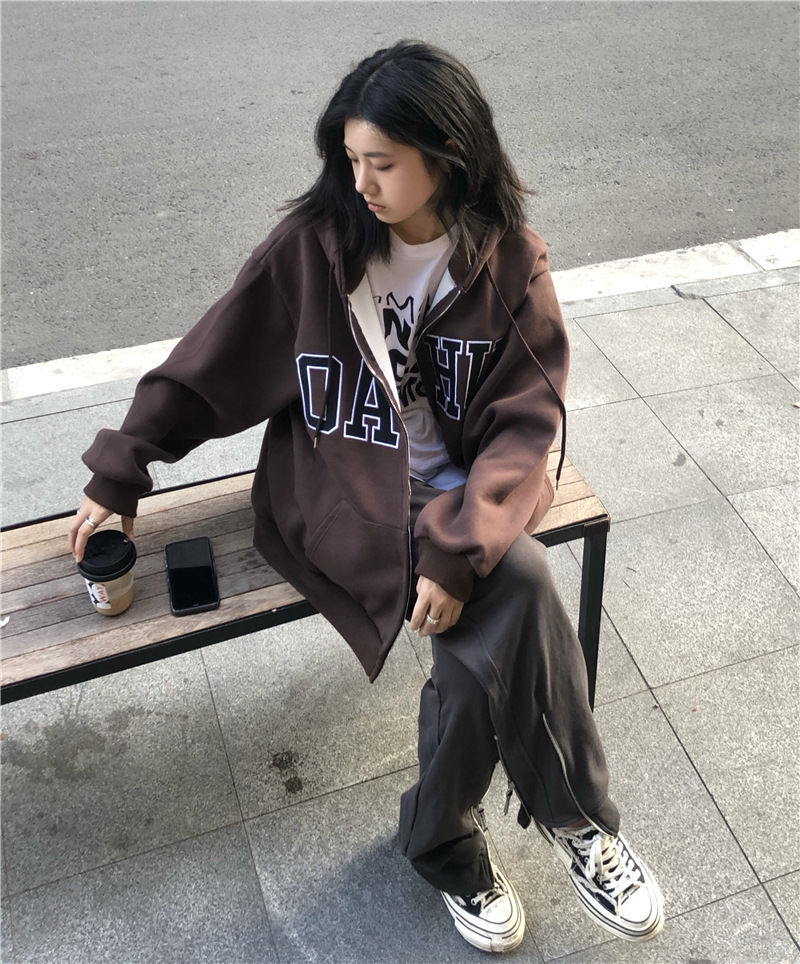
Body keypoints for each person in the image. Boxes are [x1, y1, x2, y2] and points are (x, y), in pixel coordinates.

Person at [69, 41, 663, 953]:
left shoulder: (510, 261)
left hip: (468, 497)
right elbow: (209, 365)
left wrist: (456, 550)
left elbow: (526, 421)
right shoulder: (312, 251)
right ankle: (576, 821)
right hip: (343, 496)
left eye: (381, 162)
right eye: (350, 160)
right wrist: (120, 473)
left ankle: (445, 844)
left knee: (494, 616)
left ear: (448, 156)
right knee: (521, 585)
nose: (361, 183)